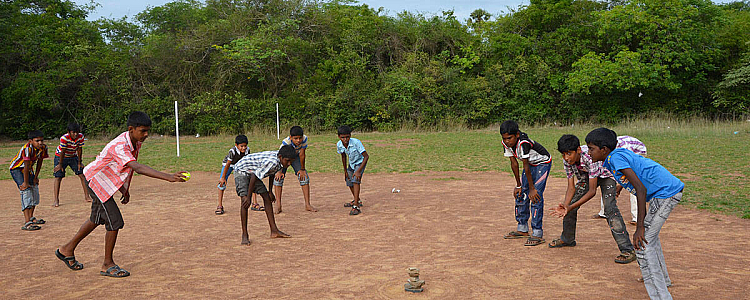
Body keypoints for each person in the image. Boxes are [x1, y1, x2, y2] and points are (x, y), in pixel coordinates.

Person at [55, 111, 187, 278]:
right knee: (115, 221)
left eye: (148, 131)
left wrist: (125, 189)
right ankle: (107, 264)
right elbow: (137, 167)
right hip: (96, 182)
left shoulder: (135, 142)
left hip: (104, 183)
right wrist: (168, 177)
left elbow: (128, 168)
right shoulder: (120, 145)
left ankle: (66, 249)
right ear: (131, 129)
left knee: (96, 219)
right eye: (143, 131)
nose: (146, 135)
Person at [586, 128, 683, 300]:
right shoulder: (616, 155)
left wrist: (639, 226)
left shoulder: (614, 158)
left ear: (604, 149)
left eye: (591, 148)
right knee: (650, 240)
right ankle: (664, 281)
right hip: (665, 194)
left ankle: (661, 296)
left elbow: (640, 189)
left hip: (665, 195)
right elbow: (637, 175)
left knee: (642, 245)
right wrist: (620, 187)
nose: (589, 152)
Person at [549, 135, 636, 264]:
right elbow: (571, 187)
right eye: (563, 154)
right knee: (570, 204)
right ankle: (567, 239)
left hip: (607, 176)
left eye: (569, 154)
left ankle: (627, 249)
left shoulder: (589, 157)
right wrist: (566, 206)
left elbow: (592, 191)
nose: (566, 158)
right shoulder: (567, 160)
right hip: (587, 176)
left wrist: (570, 207)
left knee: (610, 210)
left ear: (578, 150)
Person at [499, 120, 552, 246]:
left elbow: (526, 167)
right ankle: (522, 228)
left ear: (517, 135)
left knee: (535, 196)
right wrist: (518, 185)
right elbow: (514, 164)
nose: (507, 141)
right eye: (504, 138)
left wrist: (532, 188)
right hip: (529, 166)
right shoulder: (506, 144)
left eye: (509, 138)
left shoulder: (524, 143)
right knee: (521, 194)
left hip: (542, 164)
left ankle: (537, 233)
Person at [233, 145, 298, 245]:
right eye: (287, 161)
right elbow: (254, 176)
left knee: (267, 198)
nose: (289, 164)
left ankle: (274, 231)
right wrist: (249, 197)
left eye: (291, 162)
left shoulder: (280, 160)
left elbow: (272, 172)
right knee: (245, 201)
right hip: (242, 170)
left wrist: (270, 191)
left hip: (253, 172)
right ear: (280, 157)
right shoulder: (272, 162)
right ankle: (245, 235)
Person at [593, 135, 647, 225]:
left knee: (634, 184)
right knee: (607, 180)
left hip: (638, 152)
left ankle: (637, 218)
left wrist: (620, 186)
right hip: (622, 153)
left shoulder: (623, 148)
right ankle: (604, 212)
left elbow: (627, 170)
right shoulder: (605, 148)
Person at [271, 126, 317, 214]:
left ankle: (307, 204)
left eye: (300, 138)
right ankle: (278, 205)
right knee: (278, 179)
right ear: (291, 137)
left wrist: (302, 169)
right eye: (295, 138)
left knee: (304, 177)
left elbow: (302, 154)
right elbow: (279, 157)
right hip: (284, 159)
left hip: (295, 157)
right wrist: (279, 171)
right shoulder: (285, 143)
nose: (298, 140)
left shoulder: (304, 139)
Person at [9, 130, 49, 231]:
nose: (40, 143)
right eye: (37, 141)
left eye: (41, 140)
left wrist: (35, 177)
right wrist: (25, 182)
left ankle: (31, 217)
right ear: (30, 141)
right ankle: (27, 222)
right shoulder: (27, 149)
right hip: (17, 169)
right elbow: (25, 166)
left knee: (34, 190)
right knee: (26, 191)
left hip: (28, 169)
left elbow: (40, 162)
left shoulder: (43, 148)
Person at [52, 122, 92, 207]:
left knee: (82, 174)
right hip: (61, 156)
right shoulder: (64, 138)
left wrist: (79, 162)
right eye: (73, 132)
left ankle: (87, 196)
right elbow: (63, 151)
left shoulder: (80, 137)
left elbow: (79, 149)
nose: (75, 134)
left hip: (73, 156)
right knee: (58, 176)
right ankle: (56, 200)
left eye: (77, 132)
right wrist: (60, 164)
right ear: (69, 132)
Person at [337, 125, 369, 216]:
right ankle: (357, 200)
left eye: (347, 137)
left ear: (350, 136)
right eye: (343, 137)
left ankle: (356, 206)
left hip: (360, 163)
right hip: (351, 164)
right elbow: (343, 156)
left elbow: (366, 156)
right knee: (349, 181)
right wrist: (345, 171)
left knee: (356, 180)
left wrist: (358, 171)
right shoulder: (339, 144)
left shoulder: (356, 142)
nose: (345, 139)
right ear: (339, 137)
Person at [216, 135, 250, 215]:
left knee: (251, 179)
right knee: (222, 183)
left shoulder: (247, 150)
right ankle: (220, 206)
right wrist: (223, 177)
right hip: (229, 165)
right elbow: (228, 164)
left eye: (245, 146)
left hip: (240, 164)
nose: (244, 148)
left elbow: (247, 161)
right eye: (241, 146)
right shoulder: (232, 151)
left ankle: (255, 204)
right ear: (236, 145)